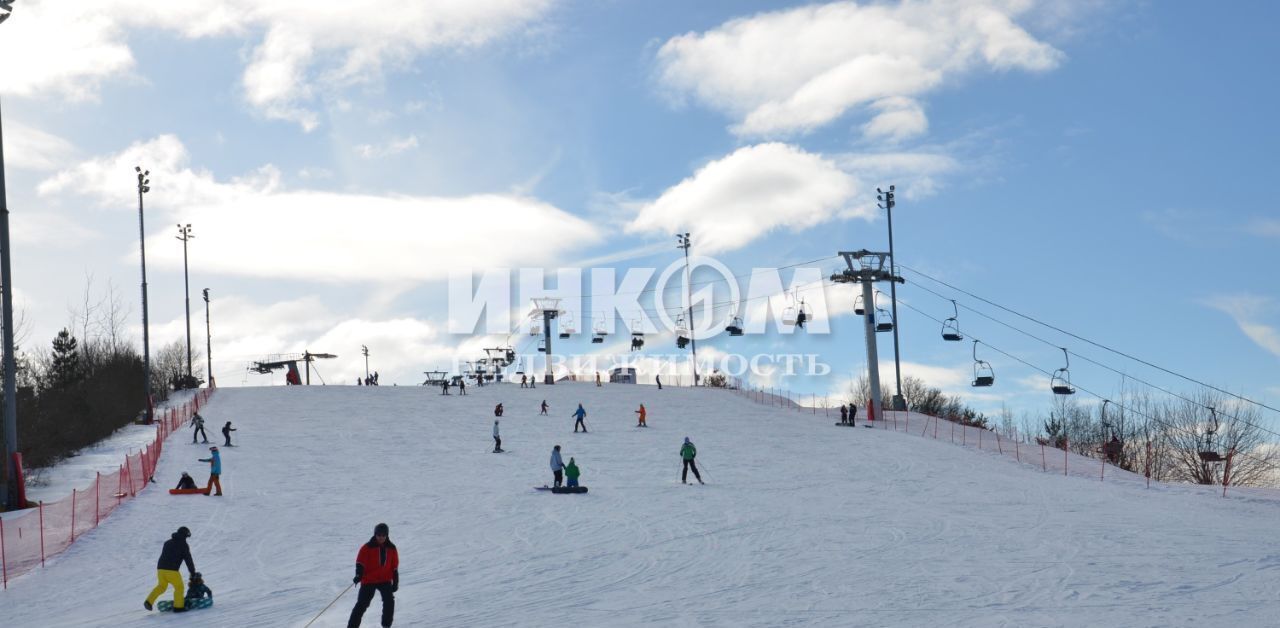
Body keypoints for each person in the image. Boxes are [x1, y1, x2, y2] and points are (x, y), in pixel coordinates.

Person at [348, 522, 398, 628]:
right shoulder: (367, 547)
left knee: (389, 601)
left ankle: (386, 625)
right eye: (379, 535)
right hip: (369, 580)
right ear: (375, 534)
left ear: (387, 535)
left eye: (383, 535)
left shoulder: (392, 548)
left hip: (385, 580)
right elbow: (360, 562)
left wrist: (395, 581)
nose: (381, 537)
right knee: (362, 604)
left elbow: (394, 567)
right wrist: (358, 575)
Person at [144, 526, 195, 612]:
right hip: (172, 570)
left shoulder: (167, 542)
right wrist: (192, 572)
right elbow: (188, 559)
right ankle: (178, 607)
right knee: (179, 587)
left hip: (160, 569)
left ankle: (148, 601)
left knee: (161, 586)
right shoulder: (184, 545)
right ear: (185, 535)